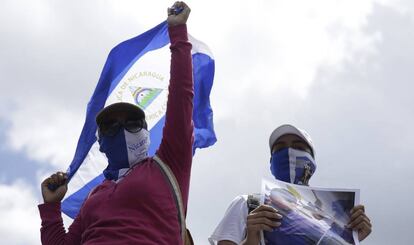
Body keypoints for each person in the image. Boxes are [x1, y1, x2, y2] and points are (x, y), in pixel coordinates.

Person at [38, 2, 193, 244]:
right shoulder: (95, 196)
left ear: (146, 132)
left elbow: (182, 99)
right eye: (110, 126)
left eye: (132, 122)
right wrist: (51, 207)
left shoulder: (168, 164)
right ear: (101, 144)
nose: (121, 128)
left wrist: (178, 34)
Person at [209, 124, 372, 245]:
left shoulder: (333, 217)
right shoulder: (248, 204)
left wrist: (353, 236)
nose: (288, 152)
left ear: (312, 162)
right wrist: (251, 237)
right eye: (280, 149)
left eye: (298, 147)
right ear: (272, 162)